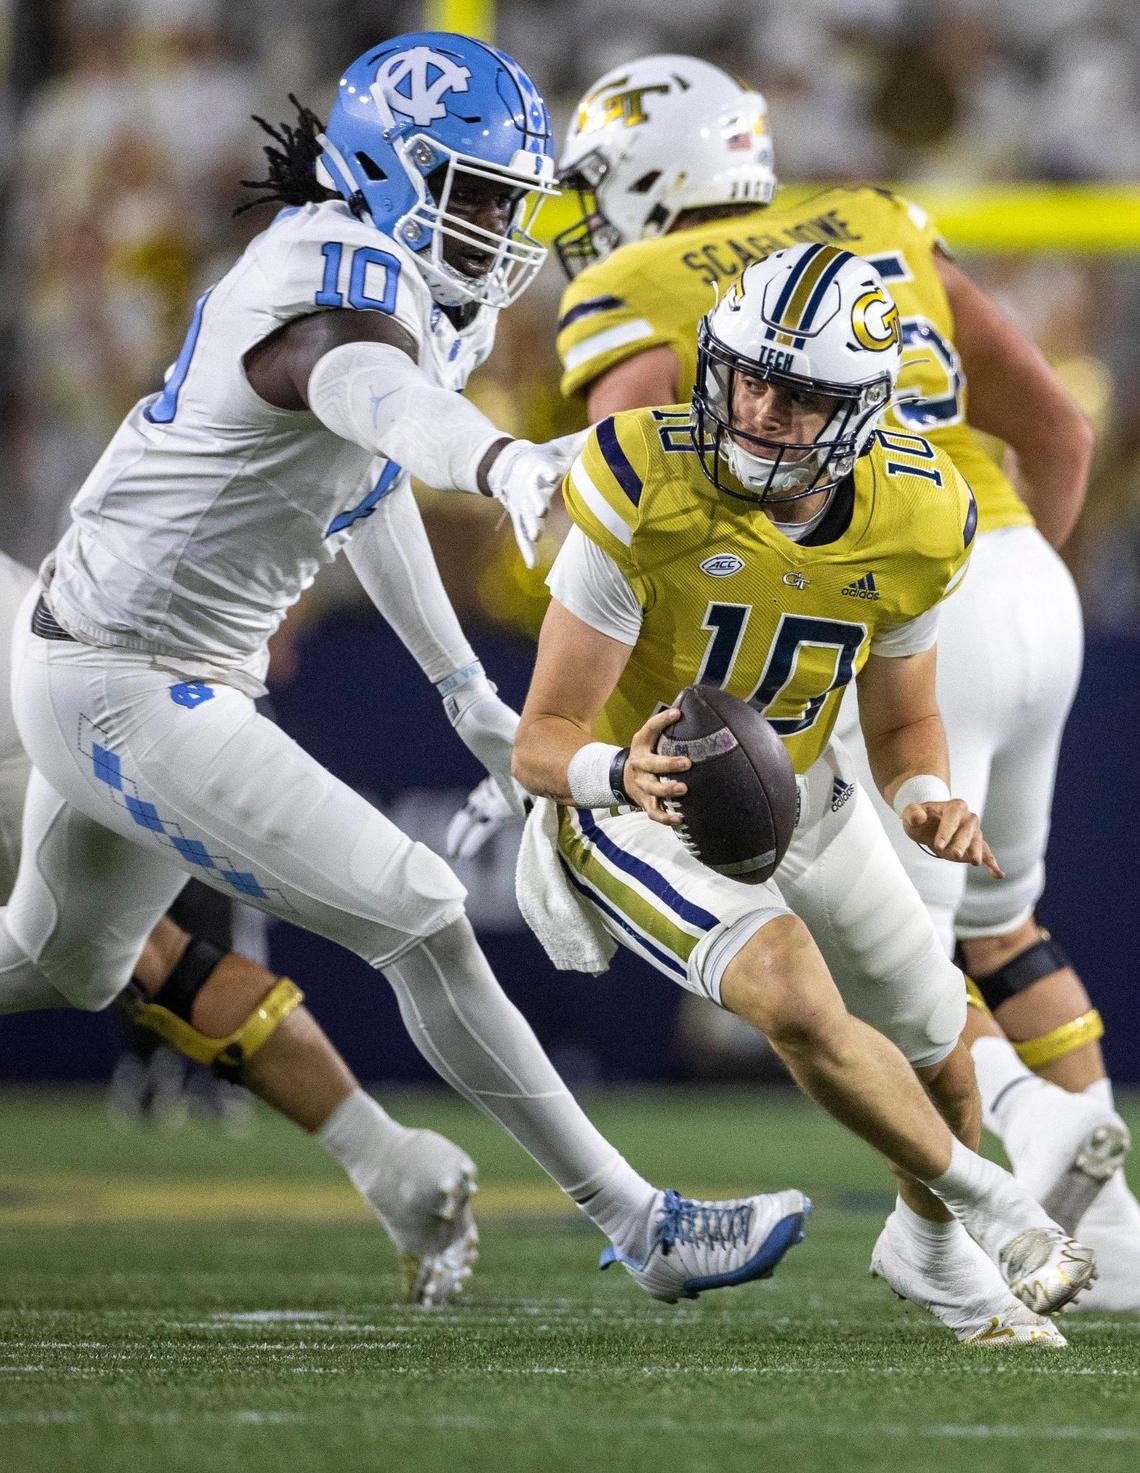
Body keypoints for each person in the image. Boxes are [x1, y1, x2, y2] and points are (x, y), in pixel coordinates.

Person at [0, 34, 811, 1308]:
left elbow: (361, 487)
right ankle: (639, 1219)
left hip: (125, 657)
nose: (499, 224)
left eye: (507, 195)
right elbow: (380, 402)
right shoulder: (328, 283)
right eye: (474, 192)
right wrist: (498, 463)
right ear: (385, 168)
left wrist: (461, 692)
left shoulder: (413, 283)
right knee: (424, 911)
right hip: (127, 675)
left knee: (68, 965)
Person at [545, 53, 1137, 1316]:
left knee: (912, 978)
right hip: (1023, 573)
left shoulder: (636, 288)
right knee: (1000, 927)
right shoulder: (873, 219)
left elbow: (637, 491)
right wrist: (1033, 584)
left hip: (877, 598)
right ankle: (1118, 1235)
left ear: (655, 178)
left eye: (602, 186)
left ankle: (1018, 1142)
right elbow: (1062, 433)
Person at [0, 547, 480, 1306]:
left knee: (88, 960)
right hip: (69, 671)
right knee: (143, 959)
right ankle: (388, 1159)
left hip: (60, 684)